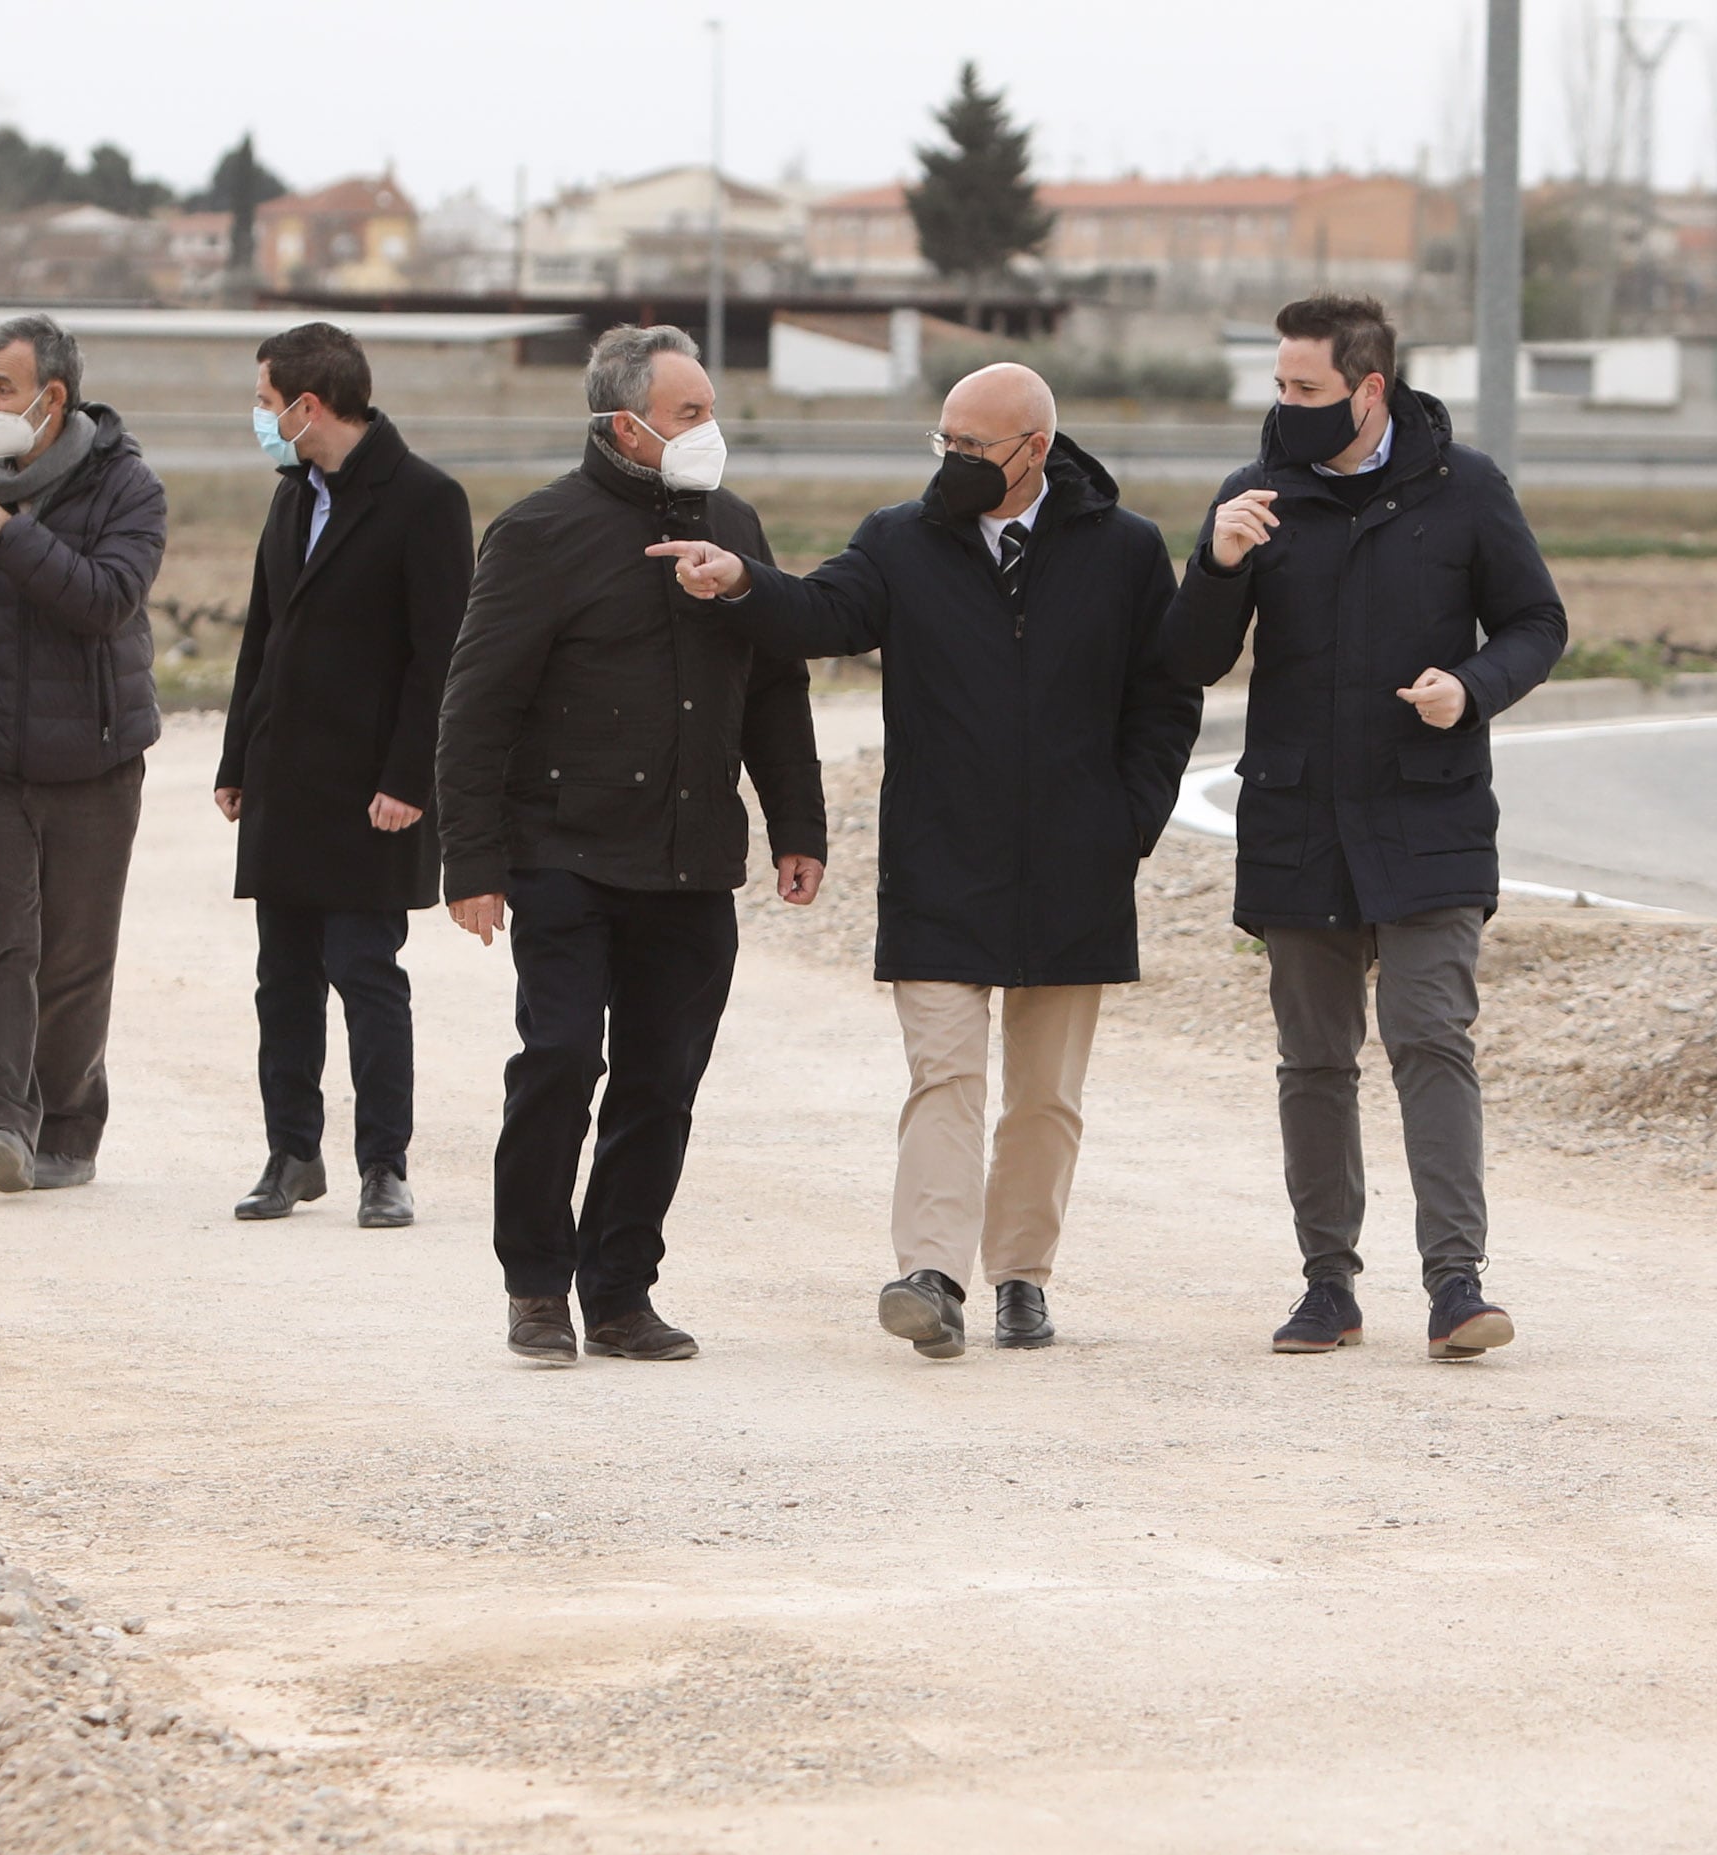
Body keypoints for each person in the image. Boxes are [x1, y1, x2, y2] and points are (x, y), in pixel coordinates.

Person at [655, 363, 1202, 1358]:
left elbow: (1163, 698)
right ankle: (931, 1275)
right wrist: (739, 583)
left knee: (1043, 1095)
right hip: (938, 858)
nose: (947, 463)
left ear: (1032, 449)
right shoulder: (897, 540)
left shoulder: (1122, 551)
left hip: (1075, 867)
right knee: (942, 1076)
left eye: (969, 448)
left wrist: (1124, 820)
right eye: (939, 443)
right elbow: (822, 613)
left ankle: (1021, 1277)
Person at [1158, 293, 1567, 1360]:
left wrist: (1469, 688)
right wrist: (1215, 563)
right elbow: (1187, 659)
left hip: (1427, 814)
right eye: (1278, 389)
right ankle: (1325, 1287)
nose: (1283, 408)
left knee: (1429, 1037)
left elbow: (1536, 621)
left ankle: (1454, 1286)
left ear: (1367, 388)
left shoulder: (1464, 487)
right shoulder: (1251, 494)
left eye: (1304, 390)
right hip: (1295, 819)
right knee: (1311, 1060)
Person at [434, 324, 826, 1366]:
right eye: (690, 414)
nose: (710, 432)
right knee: (559, 1061)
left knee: (659, 1086)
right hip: (561, 854)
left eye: (709, 410)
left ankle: (618, 1293)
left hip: (690, 862)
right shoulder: (537, 534)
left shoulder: (733, 525)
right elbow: (474, 707)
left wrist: (797, 825)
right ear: (626, 427)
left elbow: (774, 687)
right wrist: (468, 864)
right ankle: (533, 1285)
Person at [212, 321, 472, 1230]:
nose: (259, 415)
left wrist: (410, 779)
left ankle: (383, 1166)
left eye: (263, 400)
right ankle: (291, 1153)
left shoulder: (426, 500)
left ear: (307, 405)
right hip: (285, 783)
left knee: (366, 973)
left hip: (372, 793)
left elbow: (437, 658)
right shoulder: (294, 495)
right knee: (281, 978)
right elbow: (263, 634)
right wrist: (237, 757)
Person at [0, 313, 169, 1195]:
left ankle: (69, 1130)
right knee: (0, 943)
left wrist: (13, 536)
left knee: (76, 954)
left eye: (3, 387)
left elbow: (105, 599)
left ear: (53, 399)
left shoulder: (129, 490)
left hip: (96, 761)